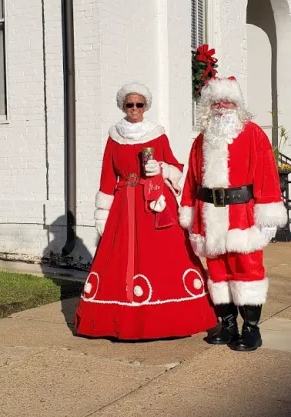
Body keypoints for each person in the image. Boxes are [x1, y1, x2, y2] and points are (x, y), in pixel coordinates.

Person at [74, 82, 216, 340]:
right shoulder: (114, 135)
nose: (135, 109)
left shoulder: (157, 133)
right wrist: (102, 213)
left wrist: (161, 167)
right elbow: (107, 175)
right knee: (121, 258)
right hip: (124, 205)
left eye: (139, 104)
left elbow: (174, 166)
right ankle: (120, 319)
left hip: (154, 202)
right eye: (130, 104)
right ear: (123, 106)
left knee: (163, 256)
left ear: (146, 106)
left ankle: (171, 318)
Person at [178, 77, 287, 352]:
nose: (221, 107)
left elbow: (267, 175)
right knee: (217, 273)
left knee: (247, 270)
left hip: (242, 217)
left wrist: (268, 215)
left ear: (237, 105)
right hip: (208, 217)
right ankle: (227, 325)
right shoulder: (200, 140)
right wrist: (189, 213)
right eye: (216, 102)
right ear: (208, 106)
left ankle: (251, 329)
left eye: (227, 102)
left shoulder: (253, 134)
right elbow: (191, 180)